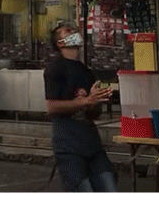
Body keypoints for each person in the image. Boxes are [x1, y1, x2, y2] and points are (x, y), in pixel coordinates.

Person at [43, 24, 116, 192]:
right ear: (60, 43)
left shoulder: (86, 71)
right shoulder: (55, 69)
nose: (73, 33)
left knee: (109, 186)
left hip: (91, 143)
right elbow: (51, 107)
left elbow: (93, 113)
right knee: (83, 189)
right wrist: (85, 101)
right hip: (68, 144)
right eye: (68, 32)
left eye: (73, 31)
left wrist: (97, 101)